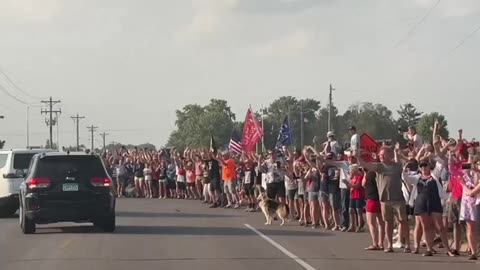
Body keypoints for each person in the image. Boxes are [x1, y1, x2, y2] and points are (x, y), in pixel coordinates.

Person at [356, 146, 411, 253]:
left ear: (390, 155)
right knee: (388, 223)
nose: (381, 157)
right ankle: (389, 245)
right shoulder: (379, 167)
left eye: (383, 155)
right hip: (385, 200)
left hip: (399, 199)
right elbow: (365, 165)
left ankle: (408, 245)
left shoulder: (398, 166)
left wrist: (398, 152)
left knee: (403, 221)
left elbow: (406, 163)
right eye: (380, 155)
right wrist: (358, 156)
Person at [402, 161, 454, 257]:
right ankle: (429, 249)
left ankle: (448, 249)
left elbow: (440, 164)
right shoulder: (416, 178)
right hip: (421, 203)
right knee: (425, 226)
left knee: (440, 226)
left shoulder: (434, 175)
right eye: (421, 166)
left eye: (425, 166)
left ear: (429, 166)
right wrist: (404, 171)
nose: (423, 168)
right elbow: (406, 179)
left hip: (434, 202)